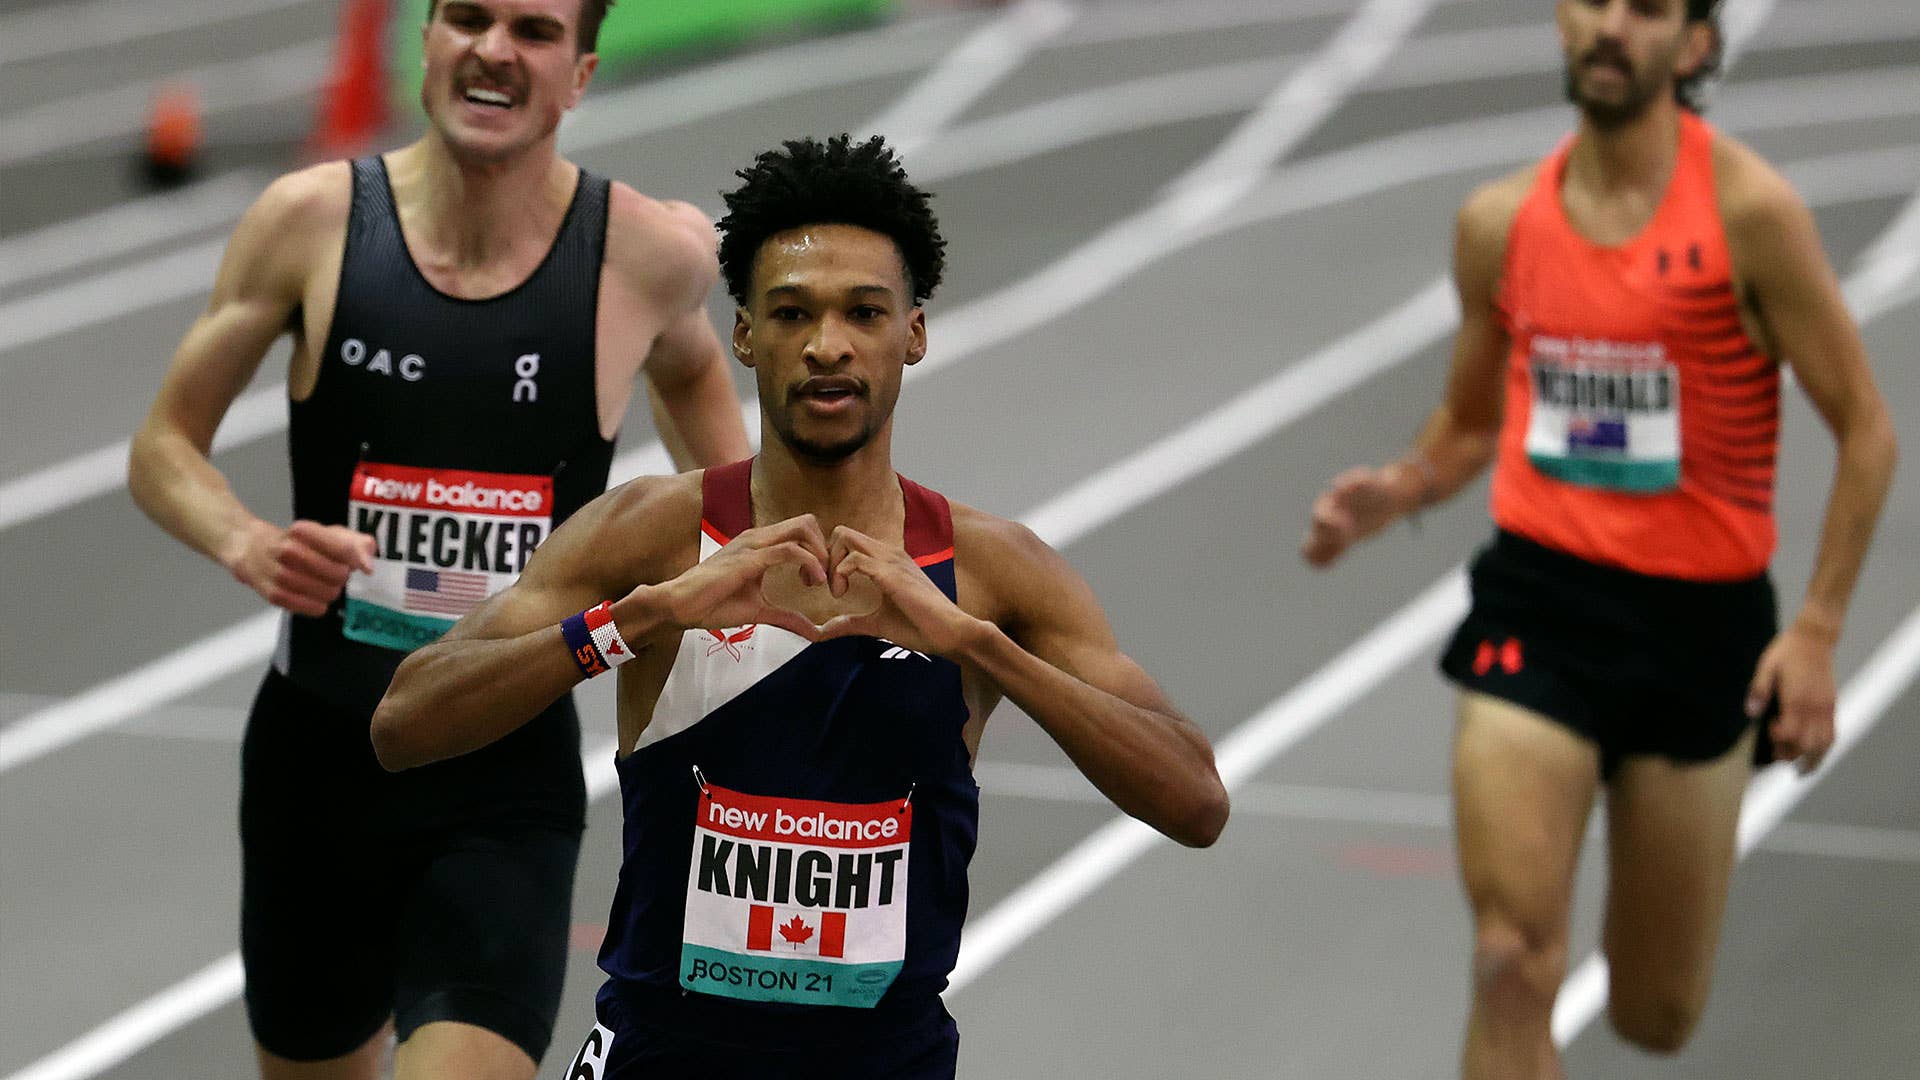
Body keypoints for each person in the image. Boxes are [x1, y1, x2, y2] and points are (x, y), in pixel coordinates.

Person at [369, 133, 1231, 1078]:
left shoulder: (988, 572)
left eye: (864, 312)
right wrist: (637, 624)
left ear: (914, 331)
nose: (828, 345)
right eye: (792, 313)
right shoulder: (651, 535)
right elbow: (405, 723)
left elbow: (1195, 802)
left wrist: (975, 645)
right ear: (744, 333)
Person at [125, 0, 752, 1076]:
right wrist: (244, 541)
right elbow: (162, 447)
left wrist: (731, 570)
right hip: (316, 762)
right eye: (467, 17)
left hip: (503, 776)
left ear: (581, 73)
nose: (494, 49)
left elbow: (704, 402)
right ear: (427, 40)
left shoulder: (641, 257)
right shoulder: (311, 222)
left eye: (534, 30)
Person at [1299, 1, 1897, 1076]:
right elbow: (1475, 420)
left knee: (1655, 1013)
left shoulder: (1750, 213)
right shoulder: (1501, 223)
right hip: (1541, 605)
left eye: (1650, 8)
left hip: (1698, 628)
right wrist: (1399, 487)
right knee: (1511, 959)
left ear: (1697, 44)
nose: (1612, 25)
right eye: (1594, 0)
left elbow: (1866, 430)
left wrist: (1813, 631)